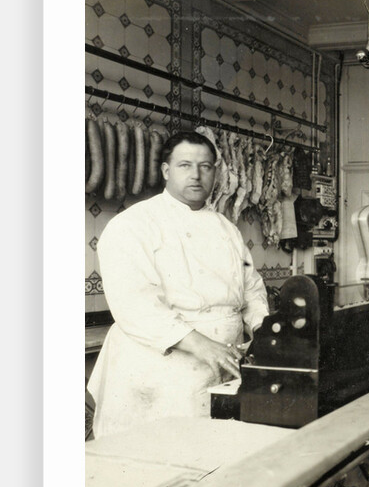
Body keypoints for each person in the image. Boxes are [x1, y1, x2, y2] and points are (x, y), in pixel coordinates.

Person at [87, 130, 269, 439]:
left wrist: (264, 330)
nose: (196, 175)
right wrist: (202, 345)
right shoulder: (133, 224)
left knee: (214, 458)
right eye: (185, 165)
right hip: (159, 373)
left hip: (223, 365)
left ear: (216, 172)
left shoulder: (227, 228)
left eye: (206, 166)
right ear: (166, 171)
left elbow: (252, 288)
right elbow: (133, 305)